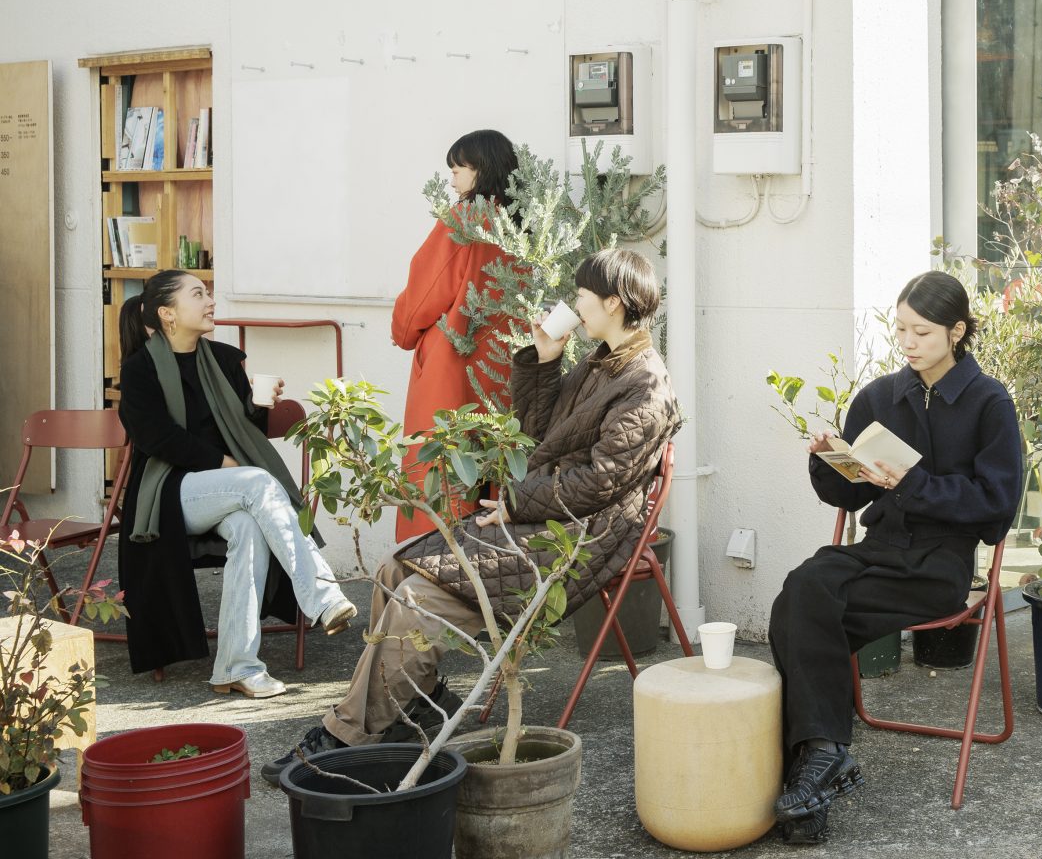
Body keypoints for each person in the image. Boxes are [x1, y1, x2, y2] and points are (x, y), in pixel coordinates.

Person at [265, 248, 681, 784]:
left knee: (416, 598)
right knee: (393, 571)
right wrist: (546, 359)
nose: (573, 301)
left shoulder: (645, 383)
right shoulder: (602, 362)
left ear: (614, 304)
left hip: (580, 536)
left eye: (582, 294)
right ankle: (417, 702)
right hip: (548, 515)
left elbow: (600, 483)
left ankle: (347, 736)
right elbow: (540, 438)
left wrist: (514, 503)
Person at [767, 271, 1023, 844]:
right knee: (804, 587)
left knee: (802, 619)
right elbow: (852, 495)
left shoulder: (989, 404)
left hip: (940, 566)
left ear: (957, 332)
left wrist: (914, 483)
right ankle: (824, 760)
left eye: (923, 332)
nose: (908, 343)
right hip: (878, 550)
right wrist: (828, 461)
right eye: (901, 329)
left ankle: (812, 775)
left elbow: (995, 509)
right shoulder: (879, 398)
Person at [116, 270, 357, 698]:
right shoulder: (140, 371)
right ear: (168, 313)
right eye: (198, 294)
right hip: (170, 494)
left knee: (249, 528)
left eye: (208, 293)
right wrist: (224, 463)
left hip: (229, 488)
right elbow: (157, 438)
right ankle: (322, 596)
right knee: (258, 483)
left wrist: (259, 404)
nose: (210, 301)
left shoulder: (226, 360)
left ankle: (236, 666)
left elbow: (244, 428)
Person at [390, 129, 521, 541]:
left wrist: (403, 330)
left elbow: (425, 291)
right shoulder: (524, 223)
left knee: (445, 471)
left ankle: (441, 570)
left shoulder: (466, 219)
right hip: (503, 367)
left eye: (457, 168)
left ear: (479, 169)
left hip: (454, 367)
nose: (452, 179)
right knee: (494, 466)